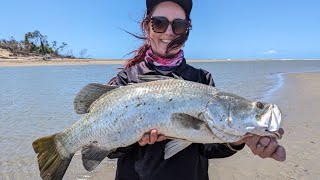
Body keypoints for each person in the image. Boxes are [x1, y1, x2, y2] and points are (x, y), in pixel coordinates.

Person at [107, 0, 286, 179]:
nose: (169, 32)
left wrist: (240, 139)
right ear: (147, 27)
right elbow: (108, 149)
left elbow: (208, 147)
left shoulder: (203, 79)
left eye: (178, 25)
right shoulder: (126, 79)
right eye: (159, 23)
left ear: (187, 30)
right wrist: (132, 138)